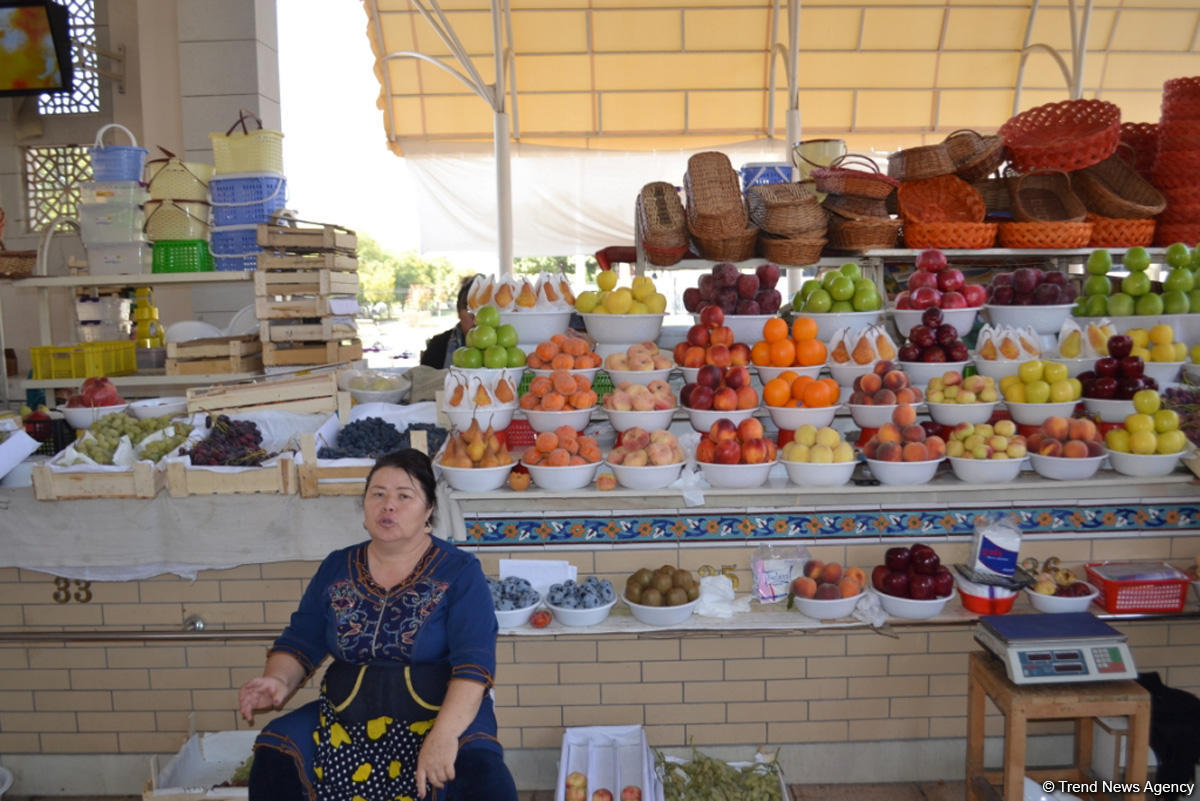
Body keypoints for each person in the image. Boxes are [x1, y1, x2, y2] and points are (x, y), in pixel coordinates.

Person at [238, 448, 518, 801]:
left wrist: (443, 737)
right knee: (274, 755)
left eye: (404, 496)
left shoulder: (459, 572)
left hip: (438, 720)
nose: (389, 505)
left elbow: (474, 666)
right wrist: (278, 680)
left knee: (485, 780)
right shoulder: (337, 566)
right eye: (378, 494)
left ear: (429, 509)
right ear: (365, 506)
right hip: (345, 725)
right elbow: (300, 641)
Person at [420, 276, 478, 369]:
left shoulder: (504, 350)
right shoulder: (438, 345)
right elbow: (424, 380)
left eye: (483, 310)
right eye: (468, 309)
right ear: (458, 312)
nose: (476, 317)